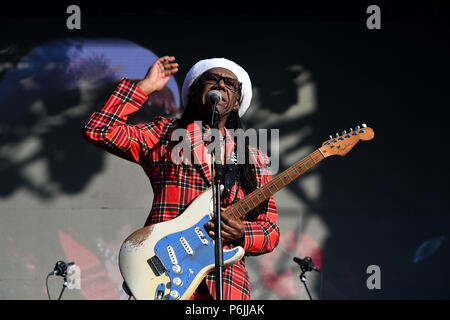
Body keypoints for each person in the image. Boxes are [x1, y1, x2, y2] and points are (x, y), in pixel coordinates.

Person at [82, 56, 280, 300]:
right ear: (195, 92)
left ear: (237, 102)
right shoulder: (164, 135)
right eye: (212, 79)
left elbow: (270, 230)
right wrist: (145, 87)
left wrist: (242, 233)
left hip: (226, 287)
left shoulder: (254, 159)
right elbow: (99, 130)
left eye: (230, 83)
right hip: (161, 276)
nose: (220, 85)